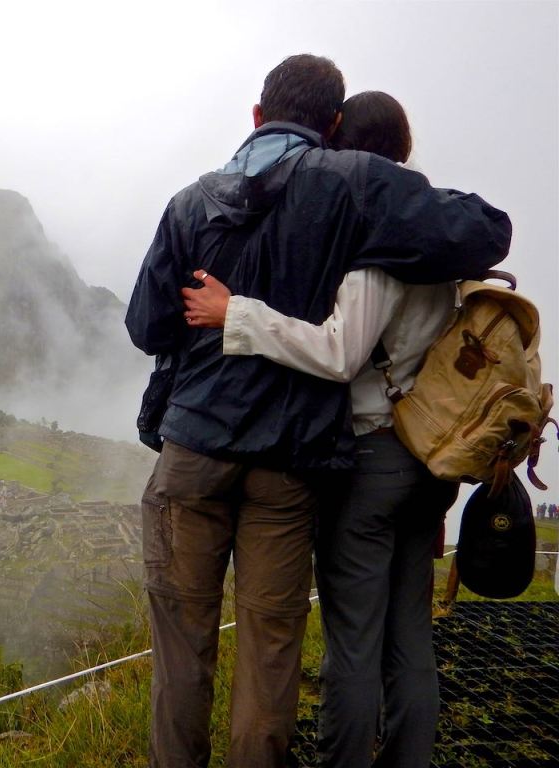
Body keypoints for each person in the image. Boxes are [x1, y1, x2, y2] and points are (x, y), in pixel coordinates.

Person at [126, 55, 511, 768]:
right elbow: (486, 231)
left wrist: (218, 309)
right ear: (332, 126)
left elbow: (146, 329)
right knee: (271, 653)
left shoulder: (187, 204)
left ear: (254, 115)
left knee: (183, 646)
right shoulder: (355, 187)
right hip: (288, 463)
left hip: (193, 453)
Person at [182, 90, 458, 768]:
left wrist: (235, 314)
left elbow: (341, 352)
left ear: (341, 144)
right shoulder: (440, 231)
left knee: (355, 642)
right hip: (431, 455)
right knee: (409, 638)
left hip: (374, 458)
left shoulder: (379, 237)